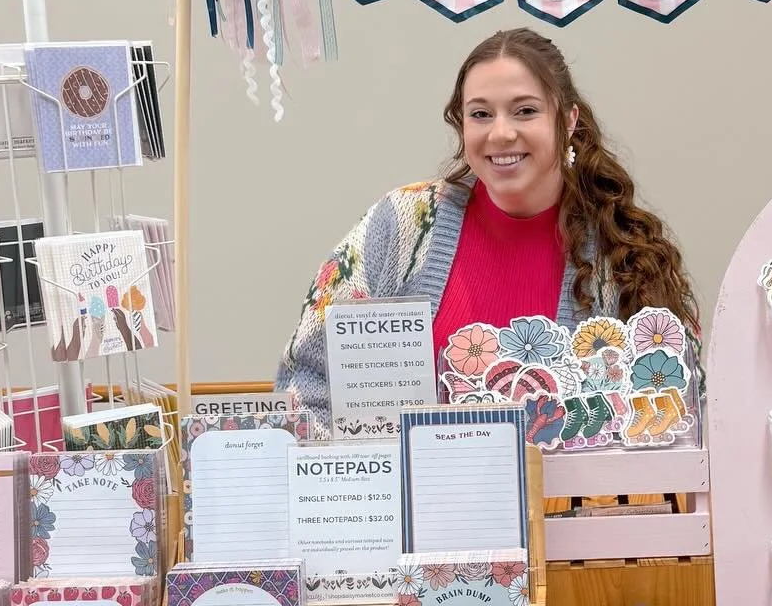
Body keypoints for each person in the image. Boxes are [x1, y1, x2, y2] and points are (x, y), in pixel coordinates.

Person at [275, 28, 699, 434]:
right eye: (480, 114)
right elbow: (305, 383)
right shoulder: (402, 225)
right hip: (408, 487)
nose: (501, 133)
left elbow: (681, 409)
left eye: (525, 111)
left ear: (568, 120)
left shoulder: (622, 253)